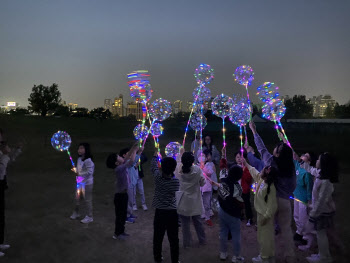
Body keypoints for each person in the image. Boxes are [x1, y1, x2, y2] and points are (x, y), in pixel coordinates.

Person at [249, 120, 296, 263]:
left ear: (277, 154)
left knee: (267, 231)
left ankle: (268, 257)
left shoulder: (271, 161)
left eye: (277, 148)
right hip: (285, 202)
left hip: (271, 201)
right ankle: (290, 256)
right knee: (286, 230)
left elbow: (261, 148)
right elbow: (293, 186)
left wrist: (254, 131)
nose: (274, 148)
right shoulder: (290, 167)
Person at [303, 153, 338, 263]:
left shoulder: (326, 182)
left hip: (323, 212)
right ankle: (323, 255)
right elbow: (310, 169)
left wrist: (313, 214)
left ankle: (324, 258)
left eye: (318, 159)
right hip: (320, 211)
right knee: (320, 234)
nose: (316, 160)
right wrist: (299, 160)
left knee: (321, 234)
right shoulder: (320, 174)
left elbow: (321, 201)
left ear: (323, 163)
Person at [243, 158, 278, 263]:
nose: (262, 169)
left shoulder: (270, 187)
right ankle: (270, 256)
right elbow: (255, 172)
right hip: (262, 214)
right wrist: (246, 164)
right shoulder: (262, 180)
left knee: (264, 238)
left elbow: (273, 206)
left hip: (265, 216)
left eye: (264, 169)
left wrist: (266, 218)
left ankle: (264, 257)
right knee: (266, 236)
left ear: (267, 173)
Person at [151, 152, 180, 263]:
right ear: (173, 169)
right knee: (174, 239)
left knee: (157, 238)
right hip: (172, 213)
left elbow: (153, 168)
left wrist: (155, 157)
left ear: (161, 168)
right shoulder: (175, 182)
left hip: (160, 212)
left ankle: (157, 259)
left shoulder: (158, 178)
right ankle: (175, 260)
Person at [106, 143, 139, 240]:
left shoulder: (120, 166)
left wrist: (133, 147)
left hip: (123, 195)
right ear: (117, 163)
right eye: (118, 157)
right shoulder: (119, 169)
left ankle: (121, 231)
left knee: (123, 214)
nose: (121, 157)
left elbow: (127, 158)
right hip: (119, 196)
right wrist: (135, 151)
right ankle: (117, 233)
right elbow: (131, 160)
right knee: (120, 216)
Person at [175, 151, 206, 248]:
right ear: (193, 161)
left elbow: (178, 163)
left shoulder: (178, 169)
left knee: (185, 225)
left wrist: (180, 154)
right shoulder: (197, 170)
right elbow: (202, 183)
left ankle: (187, 243)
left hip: (183, 201)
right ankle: (202, 240)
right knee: (198, 222)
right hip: (195, 201)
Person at [215, 162, 245, 262]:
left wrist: (223, 156)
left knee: (223, 232)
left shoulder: (223, 180)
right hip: (233, 214)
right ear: (239, 177)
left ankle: (223, 253)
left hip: (222, 210)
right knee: (236, 234)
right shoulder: (237, 187)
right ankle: (236, 256)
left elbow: (222, 167)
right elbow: (240, 202)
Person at [291, 151, 315, 249]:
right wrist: (283, 138)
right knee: (296, 216)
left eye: (306, 156)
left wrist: (309, 201)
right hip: (296, 196)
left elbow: (309, 188)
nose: (303, 155)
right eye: (304, 154)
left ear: (309, 162)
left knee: (303, 219)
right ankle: (299, 233)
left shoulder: (307, 173)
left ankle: (306, 238)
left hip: (303, 199)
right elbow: (293, 154)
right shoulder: (298, 166)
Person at [0, 142, 19, 257]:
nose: (9, 148)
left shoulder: (4, 157)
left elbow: (11, 160)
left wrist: (17, 151)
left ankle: (0, 243)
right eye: (7, 147)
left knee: (1, 217)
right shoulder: (2, 157)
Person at [70, 143, 95, 224]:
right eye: (79, 148)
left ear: (86, 150)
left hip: (87, 184)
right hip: (79, 182)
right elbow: (80, 169)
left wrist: (79, 174)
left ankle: (89, 216)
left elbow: (90, 172)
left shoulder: (88, 161)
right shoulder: (79, 159)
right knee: (77, 198)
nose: (79, 150)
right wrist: (76, 170)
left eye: (81, 148)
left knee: (87, 200)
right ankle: (76, 213)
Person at [119, 146, 142, 223]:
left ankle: (129, 213)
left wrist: (139, 152)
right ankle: (126, 216)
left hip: (132, 184)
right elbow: (133, 160)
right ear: (124, 155)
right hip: (128, 185)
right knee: (128, 201)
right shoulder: (125, 163)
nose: (131, 154)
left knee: (131, 200)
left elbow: (134, 159)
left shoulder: (129, 163)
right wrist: (136, 150)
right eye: (129, 153)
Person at [234, 151, 254, 226]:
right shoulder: (235, 167)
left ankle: (249, 218)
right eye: (237, 157)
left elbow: (249, 178)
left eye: (241, 157)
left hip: (245, 189)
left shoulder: (247, 167)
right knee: (238, 203)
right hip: (237, 189)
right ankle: (240, 215)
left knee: (247, 203)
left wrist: (243, 172)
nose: (239, 159)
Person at [200, 149, 216, 227]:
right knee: (201, 203)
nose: (201, 158)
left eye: (203, 156)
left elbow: (210, 173)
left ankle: (207, 218)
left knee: (207, 204)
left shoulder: (209, 165)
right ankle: (202, 215)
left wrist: (203, 167)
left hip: (207, 188)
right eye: (200, 156)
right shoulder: (197, 166)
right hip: (200, 188)